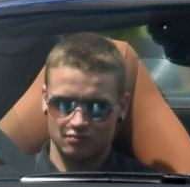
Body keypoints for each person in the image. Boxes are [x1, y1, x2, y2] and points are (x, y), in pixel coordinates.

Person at [34, 33, 153, 175]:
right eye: (63, 104)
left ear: (122, 107)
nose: (78, 122)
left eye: (97, 108)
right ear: (45, 100)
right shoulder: (4, 186)